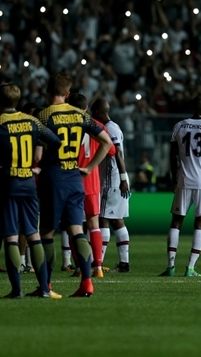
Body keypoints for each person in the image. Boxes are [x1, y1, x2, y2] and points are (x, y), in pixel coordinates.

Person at [0, 83, 62, 299]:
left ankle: (17, 289)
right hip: (29, 181)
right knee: (33, 234)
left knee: (12, 236)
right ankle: (44, 288)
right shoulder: (32, 121)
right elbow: (56, 141)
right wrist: (42, 166)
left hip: (8, 182)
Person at [36, 72, 113, 297]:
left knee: (47, 232)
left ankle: (46, 285)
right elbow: (106, 143)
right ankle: (87, 282)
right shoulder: (80, 115)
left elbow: (38, 153)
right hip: (74, 177)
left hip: (54, 177)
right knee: (78, 230)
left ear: (47, 91)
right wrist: (89, 168)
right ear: (67, 93)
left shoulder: (43, 115)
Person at [160, 95, 201, 277]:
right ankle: (190, 268)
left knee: (176, 221)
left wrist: (174, 180)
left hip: (184, 180)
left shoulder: (179, 126)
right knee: (200, 222)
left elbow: (173, 156)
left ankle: (170, 266)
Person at [68, 94, 116, 277]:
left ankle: (80, 267)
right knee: (94, 224)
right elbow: (111, 150)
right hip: (92, 182)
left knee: (74, 225)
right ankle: (97, 267)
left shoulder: (66, 124)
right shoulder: (96, 126)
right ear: (86, 108)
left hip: (72, 181)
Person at [90, 99, 132, 273]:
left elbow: (118, 153)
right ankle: (124, 264)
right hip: (116, 179)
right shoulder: (114, 126)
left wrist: (122, 178)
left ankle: (96, 264)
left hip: (112, 179)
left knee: (103, 220)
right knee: (117, 221)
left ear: (99, 111)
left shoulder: (111, 128)